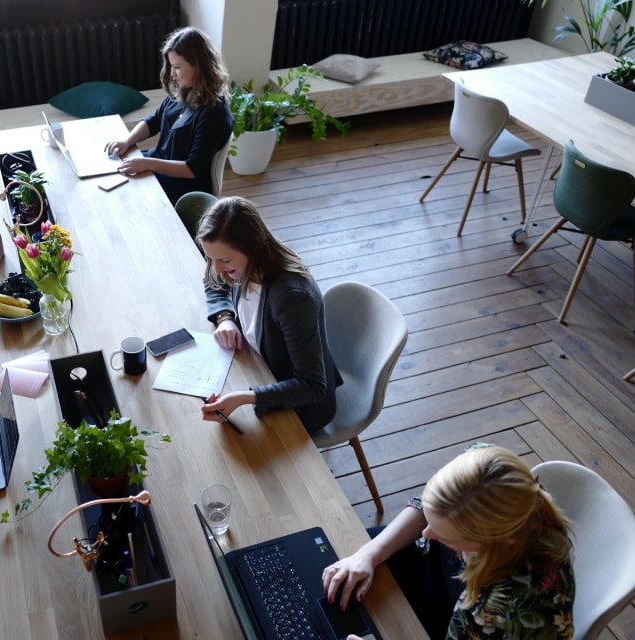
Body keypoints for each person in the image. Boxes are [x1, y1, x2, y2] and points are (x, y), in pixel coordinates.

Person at [322, 446, 575, 640]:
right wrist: (368, 553)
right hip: (426, 570)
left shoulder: (527, 608)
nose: (428, 533)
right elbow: (428, 508)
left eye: (445, 535)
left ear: (491, 541)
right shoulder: (482, 465)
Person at [197, 196, 343, 433]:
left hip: (299, 406)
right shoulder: (243, 263)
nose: (217, 268)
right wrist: (224, 318)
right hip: (258, 369)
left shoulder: (292, 298)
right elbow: (213, 280)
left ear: (254, 244)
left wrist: (247, 398)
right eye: (211, 258)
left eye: (224, 260)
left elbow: (312, 387)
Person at [104, 26, 233, 205]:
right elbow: (154, 120)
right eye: (172, 67)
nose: (172, 74)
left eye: (177, 67)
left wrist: (148, 164)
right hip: (160, 164)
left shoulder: (214, 114)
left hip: (184, 185)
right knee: (113, 171)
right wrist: (127, 141)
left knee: (126, 192)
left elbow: (192, 169)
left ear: (199, 65)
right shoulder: (183, 91)